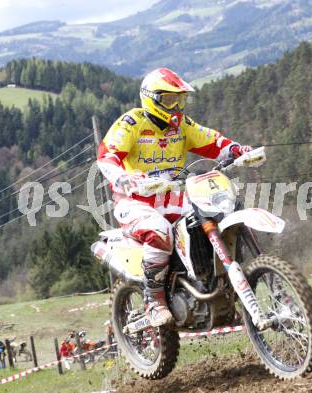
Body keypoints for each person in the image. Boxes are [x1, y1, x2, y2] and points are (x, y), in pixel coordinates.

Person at [97, 67, 252, 327]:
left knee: (219, 217)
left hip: (175, 198)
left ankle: (225, 291)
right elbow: (107, 155)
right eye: (170, 100)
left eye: (180, 100)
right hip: (135, 201)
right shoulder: (132, 123)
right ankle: (153, 300)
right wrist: (123, 177)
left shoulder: (181, 126)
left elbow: (211, 141)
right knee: (160, 232)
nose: (177, 106)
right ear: (152, 98)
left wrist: (236, 149)